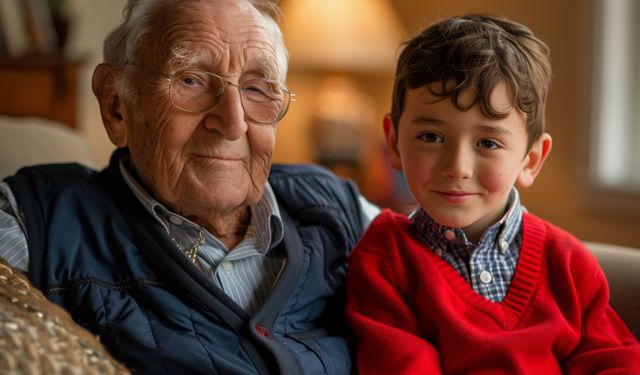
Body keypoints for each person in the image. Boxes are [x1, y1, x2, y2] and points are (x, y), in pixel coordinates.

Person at [0, 0, 378, 373]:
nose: (232, 122)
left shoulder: (336, 207)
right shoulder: (38, 219)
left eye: (257, 89)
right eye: (191, 80)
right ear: (116, 105)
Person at [345, 14, 640, 374]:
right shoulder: (385, 261)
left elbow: (614, 362)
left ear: (531, 160)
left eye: (487, 142)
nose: (458, 167)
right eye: (431, 137)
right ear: (393, 142)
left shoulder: (568, 263)